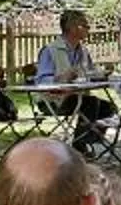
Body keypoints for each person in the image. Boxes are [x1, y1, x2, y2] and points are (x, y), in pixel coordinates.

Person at [33, 8, 115, 155]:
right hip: (53, 101)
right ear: (72, 28)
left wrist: (102, 74)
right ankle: (80, 147)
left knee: (108, 107)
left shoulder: (83, 51)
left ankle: (83, 141)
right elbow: (41, 82)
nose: (88, 29)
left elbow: (89, 73)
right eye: (85, 25)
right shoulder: (50, 51)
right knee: (91, 103)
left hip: (77, 97)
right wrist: (62, 77)